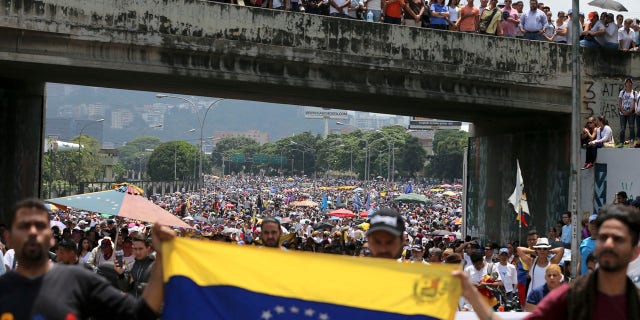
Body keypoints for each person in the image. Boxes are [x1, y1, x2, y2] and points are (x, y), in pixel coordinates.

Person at [455, 204, 640, 320]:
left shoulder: (635, 302)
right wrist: (473, 297)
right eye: (603, 237)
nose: (608, 244)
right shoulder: (570, 297)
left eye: (618, 239)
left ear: (634, 251)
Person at [0, 198, 174, 319]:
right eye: (23, 226)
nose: (32, 232)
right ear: (8, 237)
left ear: (51, 238)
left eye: (39, 225)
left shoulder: (78, 280)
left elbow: (141, 314)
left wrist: (161, 256)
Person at [619, 77, 637, 147]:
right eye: (627, 82)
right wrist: (623, 111)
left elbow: (635, 103)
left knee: (631, 128)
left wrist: (631, 110)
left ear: (632, 84)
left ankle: (631, 142)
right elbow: (620, 102)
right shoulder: (622, 92)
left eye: (630, 82)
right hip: (623, 113)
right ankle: (621, 142)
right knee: (622, 128)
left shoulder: (635, 93)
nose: (629, 83)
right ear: (625, 84)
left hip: (631, 113)